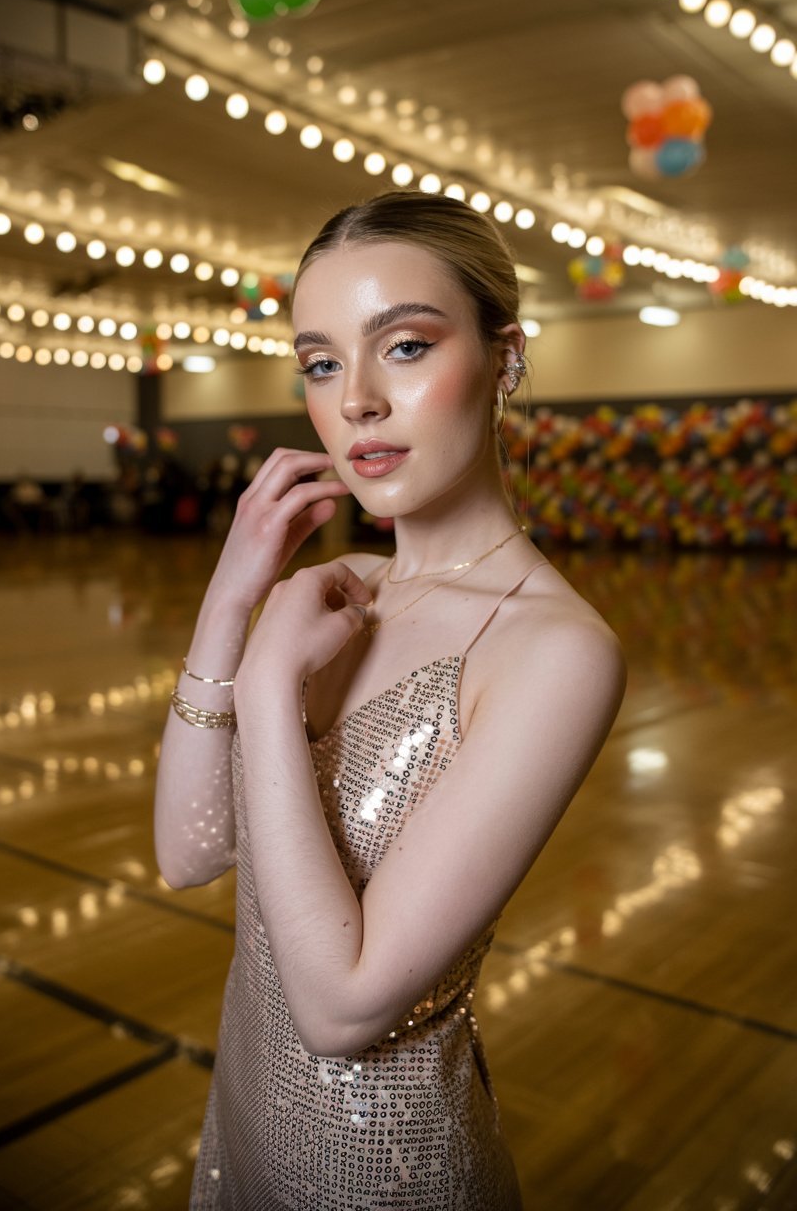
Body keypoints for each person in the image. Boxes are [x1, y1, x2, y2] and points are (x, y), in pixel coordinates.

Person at [154, 191, 626, 1210]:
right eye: (321, 362)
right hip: (242, 1112)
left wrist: (273, 687)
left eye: (402, 347)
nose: (355, 398)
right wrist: (233, 594)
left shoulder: (553, 649)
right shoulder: (339, 590)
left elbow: (340, 1008)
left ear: (504, 357)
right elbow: (189, 848)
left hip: (386, 1173)